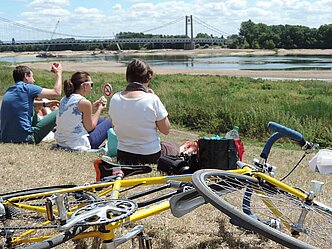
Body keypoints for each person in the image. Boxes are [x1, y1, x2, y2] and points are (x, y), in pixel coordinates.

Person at [108, 59, 180, 165]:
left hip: (123, 155)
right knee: (173, 146)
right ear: (147, 78)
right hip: (149, 156)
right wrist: (154, 97)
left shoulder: (115, 98)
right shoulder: (152, 99)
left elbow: (114, 127)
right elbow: (166, 130)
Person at [0, 64, 62, 143]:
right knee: (60, 110)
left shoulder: (9, 90)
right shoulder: (27, 88)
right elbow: (56, 92)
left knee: (31, 109)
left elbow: (23, 104)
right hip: (26, 139)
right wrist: (59, 74)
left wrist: (45, 104)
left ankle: (46, 128)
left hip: (4, 137)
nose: (34, 80)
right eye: (32, 77)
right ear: (26, 76)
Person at [55, 71, 111, 151]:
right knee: (109, 121)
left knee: (101, 120)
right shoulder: (84, 102)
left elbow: (75, 114)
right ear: (85, 86)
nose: (91, 87)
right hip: (79, 142)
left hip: (62, 140)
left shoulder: (65, 98)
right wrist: (99, 110)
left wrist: (92, 107)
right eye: (91, 84)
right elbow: (90, 128)